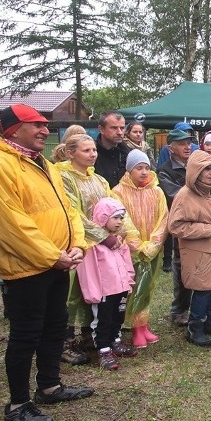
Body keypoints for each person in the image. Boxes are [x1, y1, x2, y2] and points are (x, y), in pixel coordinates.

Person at [0, 104, 94, 421]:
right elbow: (9, 225)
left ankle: (49, 386)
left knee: (56, 324)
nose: (44, 130)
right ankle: (18, 403)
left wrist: (77, 243)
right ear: (12, 129)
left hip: (56, 262)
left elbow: (67, 208)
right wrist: (52, 256)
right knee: (26, 334)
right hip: (26, 269)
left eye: (44, 125)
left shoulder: (42, 163)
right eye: (36, 124)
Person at [58, 133, 139, 364]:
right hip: (74, 244)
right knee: (73, 295)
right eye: (86, 150)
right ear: (70, 152)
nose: (93, 154)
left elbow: (114, 207)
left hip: (105, 248)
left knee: (105, 297)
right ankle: (65, 343)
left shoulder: (99, 181)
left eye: (94, 150)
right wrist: (104, 237)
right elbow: (73, 214)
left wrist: (124, 232)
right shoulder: (63, 177)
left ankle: (94, 339)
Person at [168, 150, 211, 347]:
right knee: (203, 289)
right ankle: (195, 328)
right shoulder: (185, 195)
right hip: (200, 252)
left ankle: (210, 322)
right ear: (195, 171)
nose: (210, 173)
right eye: (206, 169)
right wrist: (204, 230)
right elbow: (175, 225)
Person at [112, 149, 169, 349]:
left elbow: (164, 219)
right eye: (139, 168)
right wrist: (138, 246)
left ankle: (143, 325)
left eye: (146, 167)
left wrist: (153, 244)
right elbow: (123, 222)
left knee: (148, 286)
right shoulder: (118, 192)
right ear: (129, 170)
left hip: (153, 250)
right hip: (132, 251)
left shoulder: (157, 191)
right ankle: (134, 327)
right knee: (134, 288)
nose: (144, 172)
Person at [76, 197, 136, 370]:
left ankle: (115, 340)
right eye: (115, 217)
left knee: (118, 316)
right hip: (104, 291)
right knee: (103, 320)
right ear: (103, 217)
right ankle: (103, 349)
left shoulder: (118, 242)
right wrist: (94, 292)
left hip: (121, 289)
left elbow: (127, 264)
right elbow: (88, 272)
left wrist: (128, 283)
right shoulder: (93, 245)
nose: (119, 222)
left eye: (121, 218)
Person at [158, 129, 195, 326]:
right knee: (181, 265)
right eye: (182, 143)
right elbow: (176, 196)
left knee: (202, 264)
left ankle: (198, 305)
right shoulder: (164, 170)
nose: (187, 146)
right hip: (181, 224)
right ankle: (179, 310)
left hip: (200, 222)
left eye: (189, 143)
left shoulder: (196, 166)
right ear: (170, 148)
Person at [94, 111, 130, 188]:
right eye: (114, 128)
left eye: (122, 128)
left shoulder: (128, 154)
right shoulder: (91, 153)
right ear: (101, 129)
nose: (120, 132)